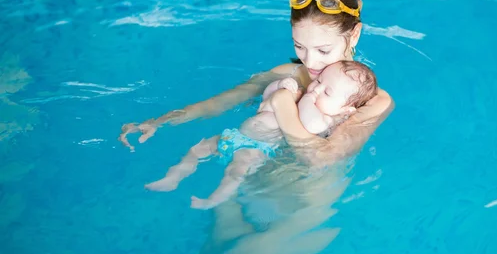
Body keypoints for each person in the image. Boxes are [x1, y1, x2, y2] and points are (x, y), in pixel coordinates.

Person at [119, 0, 394, 254]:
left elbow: (323, 158)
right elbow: (220, 102)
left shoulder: (374, 102)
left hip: (306, 201)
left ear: (354, 35)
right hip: (255, 174)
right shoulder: (286, 75)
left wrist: (282, 106)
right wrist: (158, 122)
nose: (311, 62)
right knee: (217, 251)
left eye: (323, 50)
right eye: (299, 46)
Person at [145, 60, 378, 210]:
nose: (316, 88)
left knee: (235, 173)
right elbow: (268, 97)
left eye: (326, 91)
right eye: (318, 81)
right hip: (233, 135)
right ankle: (173, 178)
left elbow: (310, 123)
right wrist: (280, 87)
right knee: (196, 150)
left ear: (345, 110)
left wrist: (301, 97)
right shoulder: (300, 95)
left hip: (255, 148)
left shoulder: (324, 118)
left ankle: (213, 200)